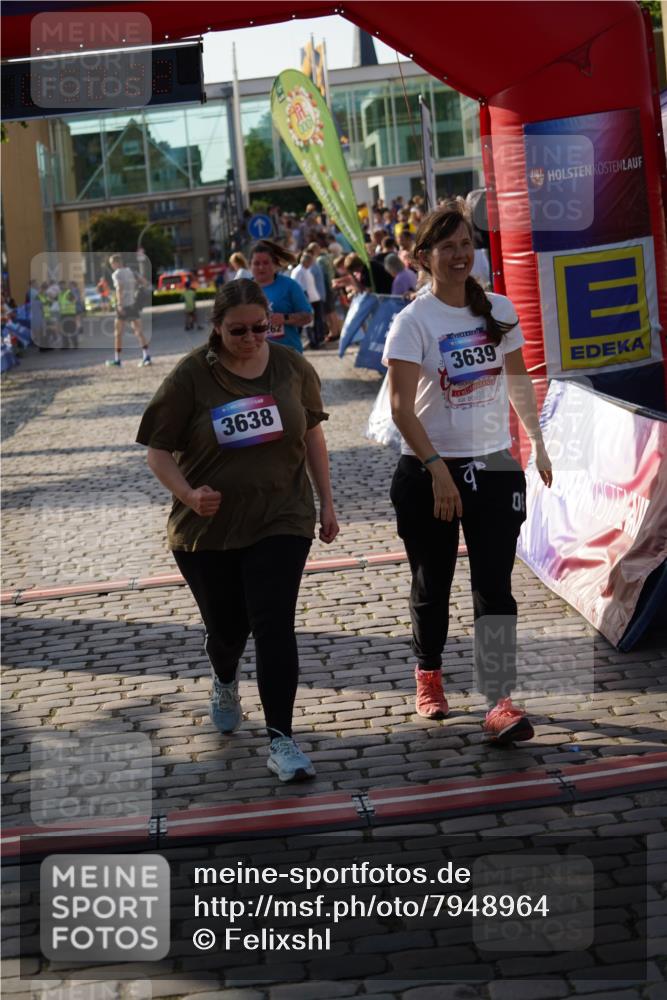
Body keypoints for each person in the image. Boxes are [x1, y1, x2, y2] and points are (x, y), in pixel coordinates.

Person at [136, 278, 339, 782]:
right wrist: (189, 494)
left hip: (282, 516)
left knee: (274, 624)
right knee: (229, 629)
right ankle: (224, 675)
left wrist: (327, 503)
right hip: (209, 530)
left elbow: (313, 432)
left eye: (260, 327)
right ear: (216, 329)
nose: (251, 339)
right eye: (238, 331)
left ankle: (282, 741)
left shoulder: (292, 367)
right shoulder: (190, 377)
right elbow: (157, 452)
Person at [383, 207, 553, 744]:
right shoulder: (413, 322)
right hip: (430, 469)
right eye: (448, 246)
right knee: (432, 583)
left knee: (495, 587)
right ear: (424, 258)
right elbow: (401, 409)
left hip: (496, 465)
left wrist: (538, 444)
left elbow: (518, 378)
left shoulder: (498, 309)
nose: (460, 255)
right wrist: (437, 470)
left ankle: (498, 699)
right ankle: (428, 673)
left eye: (467, 244)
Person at [249, 240, 312, 353]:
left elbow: (308, 317)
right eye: (257, 263)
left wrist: (285, 318)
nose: (261, 267)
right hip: (255, 357)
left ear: (275, 265)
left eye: (266, 263)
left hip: (288, 354)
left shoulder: (289, 286)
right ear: (250, 266)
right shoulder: (244, 289)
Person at [106, 254, 151, 368]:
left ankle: (118, 360)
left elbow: (119, 288)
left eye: (111, 264)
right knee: (139, 331)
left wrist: (119, 305)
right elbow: (145, 283)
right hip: (133, 305)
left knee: (118, 334)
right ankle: (146, 356)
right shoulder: (132, 271)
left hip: (124, 306)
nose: (111, 266)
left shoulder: (116, 274)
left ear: (116, 263)